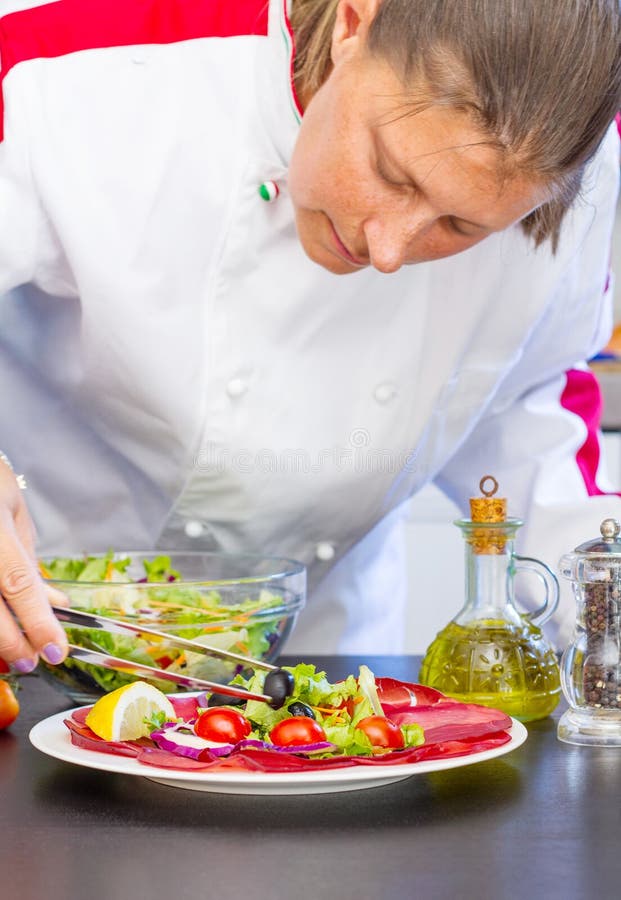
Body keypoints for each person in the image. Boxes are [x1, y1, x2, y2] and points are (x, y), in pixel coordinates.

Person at [0, 0, 620, 673]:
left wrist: (602, 610)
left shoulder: (576, 167)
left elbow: (530, 406)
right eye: (390, 171)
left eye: (462, 227)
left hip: (321, 659)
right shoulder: (66, 73)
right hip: (37, 627)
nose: (388, 249)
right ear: (352, 25)